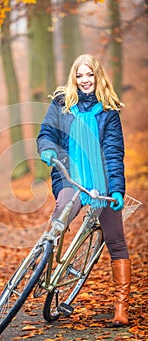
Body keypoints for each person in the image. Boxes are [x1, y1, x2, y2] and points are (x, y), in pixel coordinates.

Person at [37, 54, 130, 327]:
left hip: (101, 183)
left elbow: (114, 153)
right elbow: (46, 133)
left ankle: (121, 308)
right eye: (79, 75)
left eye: (89, 75)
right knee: (62, 215)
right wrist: (47, 149)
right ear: (73, 78)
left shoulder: (109, 112)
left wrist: (116, 190)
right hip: (70, 178)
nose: (85, 80)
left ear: (97, 76)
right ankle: (40, 264)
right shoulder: (61, 104)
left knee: (115, 240)